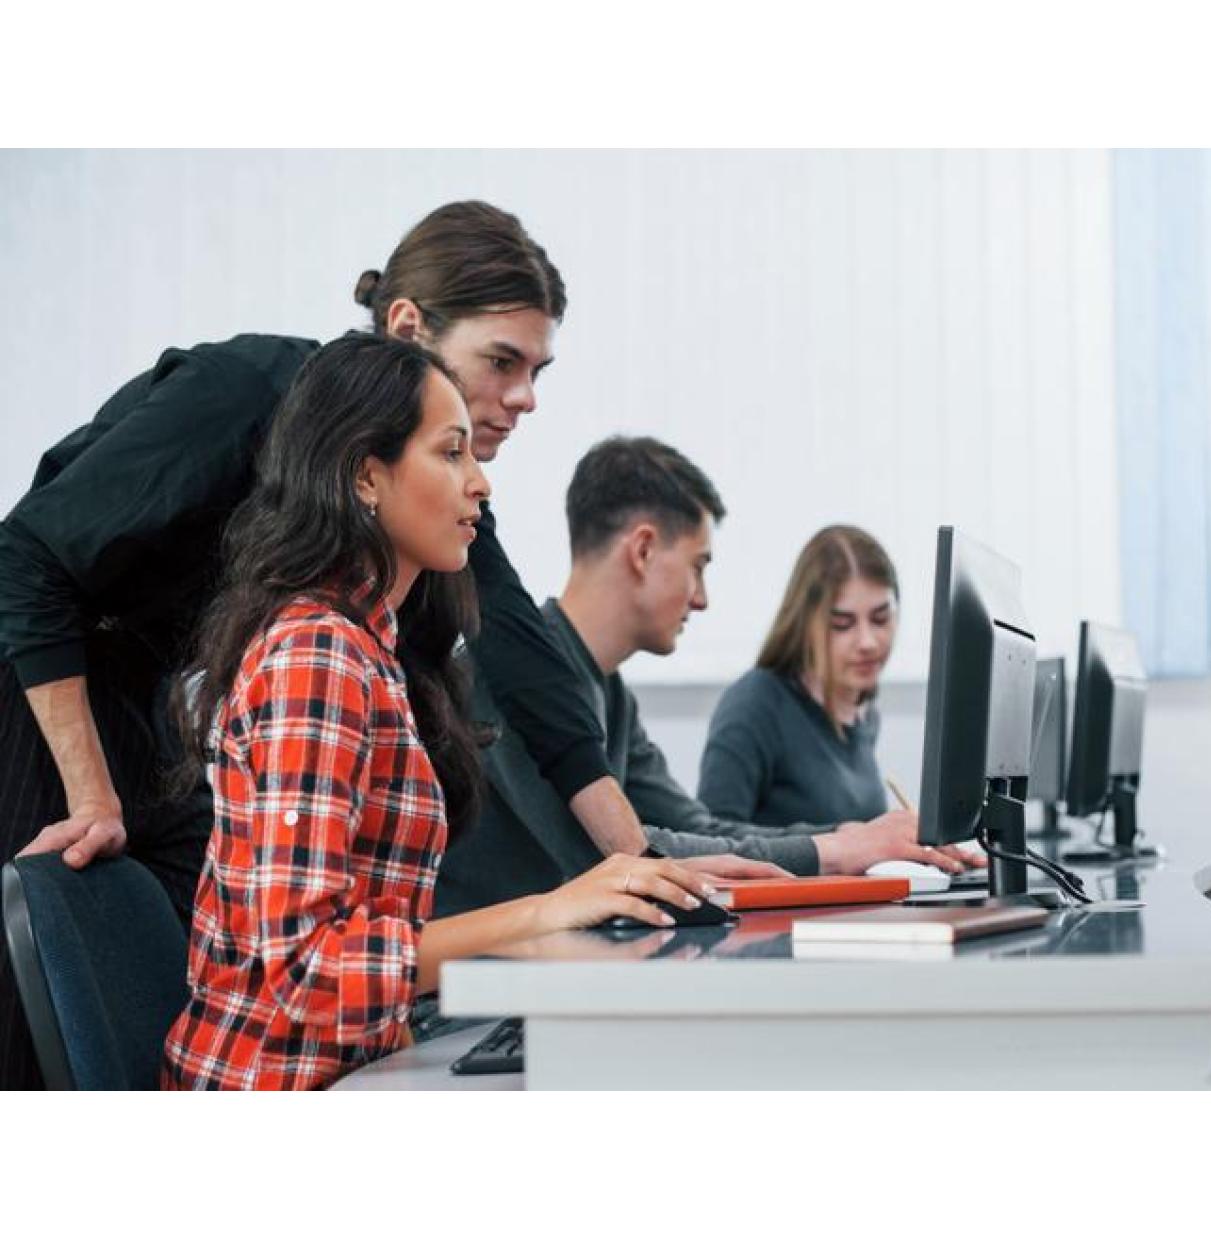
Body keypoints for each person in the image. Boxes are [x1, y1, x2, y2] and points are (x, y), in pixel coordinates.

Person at [0, 200, 756, 1089]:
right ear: (406, 331)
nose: (524, 399)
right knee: (46, 1013)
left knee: (176, 986)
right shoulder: (259, 456)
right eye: (501, 363)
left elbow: (523, 658)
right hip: (39, 675)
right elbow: (26, 562)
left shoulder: (368, 627)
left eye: (536, 371)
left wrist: (639, 868)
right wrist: (92, 794)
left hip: (152, 707)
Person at [161, 335, 712, 1090]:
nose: (479, 483)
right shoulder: (318, 654)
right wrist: (543, 915)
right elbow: (306, 969)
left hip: (357, 1068)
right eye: (452, 453)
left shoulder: (370, 648)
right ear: (366, 475)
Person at [436, 439, 975, 917]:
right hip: (475, 986)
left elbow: (700, 829)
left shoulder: (611, 693)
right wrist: (835, 850)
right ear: (643, 550)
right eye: (698, 565)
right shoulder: (517, 679)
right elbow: (613, 854)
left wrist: (851, 837)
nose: (702, 598)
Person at [699, 525, 906, 828]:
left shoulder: (863, 712)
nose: (868, 642)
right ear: (805, 623)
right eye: (842, 624)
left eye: (880, 618)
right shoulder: (754, 705)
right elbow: (710, 838)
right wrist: (843, 842)